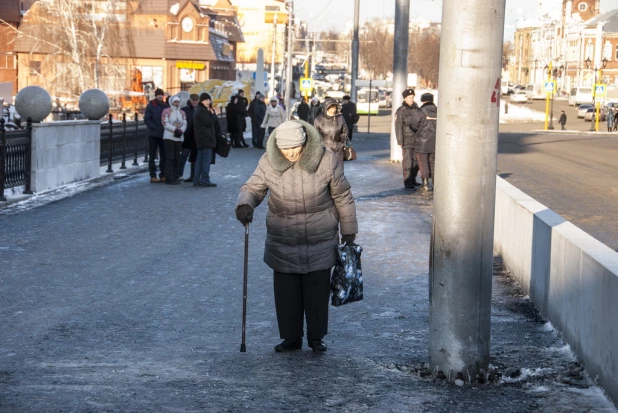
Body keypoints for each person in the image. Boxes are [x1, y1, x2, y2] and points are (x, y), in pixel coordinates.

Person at [235, 120, 358, 353]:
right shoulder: (268, 162)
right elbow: (253, 188)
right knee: (286, 293)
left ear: (304, 143)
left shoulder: (327, 159)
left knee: (317, 292)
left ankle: (316, 337)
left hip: (320, 236)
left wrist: (349, 230)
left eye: (295, 149)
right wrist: (245, 204)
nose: (290, 154)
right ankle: (291, 337)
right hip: (283, 237)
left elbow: (343, 196)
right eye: (285, 150)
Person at [395, 88, 424, 189]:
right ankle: (407, 181)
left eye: (412, 97)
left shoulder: (417, 109)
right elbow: (398, 126)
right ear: (405, 98)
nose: (411, 99)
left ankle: (413, 178)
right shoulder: (401, 110)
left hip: (417, 139)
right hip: (407, 140)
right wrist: (400, 140)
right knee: (408, 161)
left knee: (416, 161)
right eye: (409, 97)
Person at [313, 98, 348, 165]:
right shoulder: (318, 120)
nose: (334, 110)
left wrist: (341, 137)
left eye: (335, 108)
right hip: (325, 150)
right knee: (327, 169)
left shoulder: (340, 118)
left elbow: (345, 131)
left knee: (338, 170)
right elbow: (315, 135)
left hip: (338, 149)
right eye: (331, 108)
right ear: (326, 108)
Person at [144, 88, 169, 183]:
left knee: (164, 155)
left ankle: (163, 174)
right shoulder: (151, 106)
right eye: (158, 94)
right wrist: (155, 128)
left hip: (163, 134)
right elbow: (147, 119)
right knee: (152, 156)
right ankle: (153, 175)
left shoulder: (165, 106)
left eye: (161, 94)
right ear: (156, 95)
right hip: (153, 134)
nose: (160, 96)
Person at [193, 93, 217, 187]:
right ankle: (205, 180)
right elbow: (209, 122)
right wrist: (214, 115)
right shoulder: (201, 111)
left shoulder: (200, 110)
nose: (208, 102)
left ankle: (196, 179)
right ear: (202, 101)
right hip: (205, 139)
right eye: (206, 100)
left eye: (209, 100)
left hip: (201, 138)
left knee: (200, 160)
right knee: (205, 160)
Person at [161, 95, 187, 185]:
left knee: (177, 158)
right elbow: (165, 123)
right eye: (175, 102)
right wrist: (175, 130)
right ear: (172, 102)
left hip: (178, 137)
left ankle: (175, 175)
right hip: (169, 137)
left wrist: (180, 131)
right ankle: (169, 177)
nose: (176, 104)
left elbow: (184, 123)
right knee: (170, 157)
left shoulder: (182, 112)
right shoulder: (166, 111)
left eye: (178, 102)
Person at [415, 93, 436, 192]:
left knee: (423, 162)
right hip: (435, 141)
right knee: (433, 162)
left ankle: (425, 183)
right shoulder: (439, 111)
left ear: (423, 101)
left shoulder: (420, 112)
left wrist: (418, 132)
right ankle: (435, 184)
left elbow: (413, 124)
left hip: (422, 141)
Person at [180, 94, 199, 182]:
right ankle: (179, 174)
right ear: (190, 100)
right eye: (193, 100)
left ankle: (193, 176)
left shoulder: (200, 109)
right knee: (183, 156)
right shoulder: (184, 110)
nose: (195, 102)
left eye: (196, 100)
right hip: (187, 136)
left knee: (194, 158)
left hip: (197, 137)